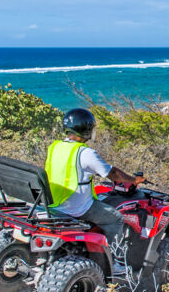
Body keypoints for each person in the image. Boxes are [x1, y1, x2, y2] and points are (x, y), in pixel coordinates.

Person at [45, 108, 145, 274]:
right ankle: (114, 262)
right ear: (86, 130)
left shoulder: (55, 147)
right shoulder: (85, 153)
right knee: (116, 219)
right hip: (75, 208)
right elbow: (112, 173)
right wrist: (134, 180)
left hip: (54, 202)